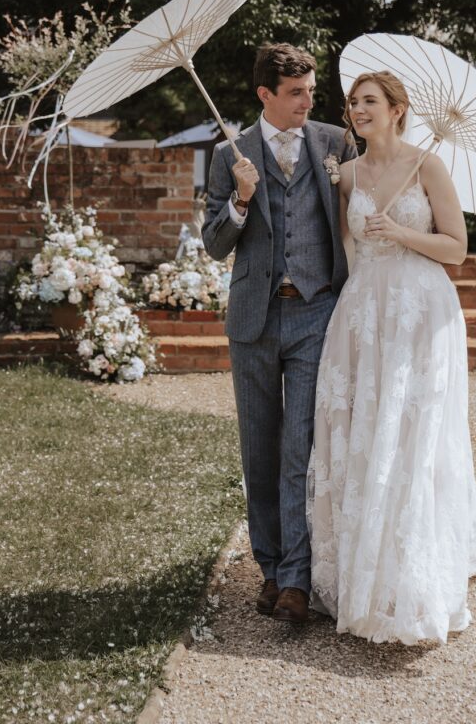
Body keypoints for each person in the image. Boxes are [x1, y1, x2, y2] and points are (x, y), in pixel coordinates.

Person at [307, 70, 476, 644]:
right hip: (364, 311)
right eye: (353, 102)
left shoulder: (428, 166)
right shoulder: (344, 175)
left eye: (369, 101)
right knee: (361, 428)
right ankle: (357, 562)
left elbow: (458, 249)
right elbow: (341, 245)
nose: (357, 109)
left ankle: (407, 571)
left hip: (421, 311)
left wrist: (400, 230)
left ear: (397, 109)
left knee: (411, 432)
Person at [203, 43, 357, 625]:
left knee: (302, 447)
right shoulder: (228, 154)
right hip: (254, 317)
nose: (309, 101)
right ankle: (269, 566)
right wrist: (242, 199)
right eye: (296, 92)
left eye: (311, 90)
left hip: (316, 312)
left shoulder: (333, 143)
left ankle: (295, 578)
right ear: (265, 94)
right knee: (260, 449)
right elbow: (215, 243)